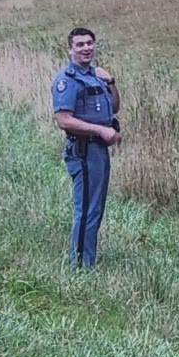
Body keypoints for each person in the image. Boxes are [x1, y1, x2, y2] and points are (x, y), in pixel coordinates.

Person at [51, 27, 119, 267]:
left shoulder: (94, 76)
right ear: (70, 49)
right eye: (79, 45)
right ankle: (80, 265)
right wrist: (101, 130)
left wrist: (110, 81)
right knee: (88, 207)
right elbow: (64, 120)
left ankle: (86, 258)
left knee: (96, 206)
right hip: (83, 150)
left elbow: (115, 106)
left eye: (89, 43)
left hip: (98, 151)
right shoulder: (67, 81)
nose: (86, 48)